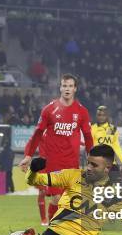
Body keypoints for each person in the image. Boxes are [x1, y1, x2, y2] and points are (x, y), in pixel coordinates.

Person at [18, 74, 94, 226]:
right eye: (64, 86)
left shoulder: (82, 112)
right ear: (60, 88)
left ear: (75, 89)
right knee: (56, 199)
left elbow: (87, 136)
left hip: (72, 162)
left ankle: (65, 231)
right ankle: (52, 226)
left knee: (72, 201)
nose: (67, 89)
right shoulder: (49, 110)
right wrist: (28, 155)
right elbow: (38, 134)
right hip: (54, 164)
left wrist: (91, 159)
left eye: (70, 86)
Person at [90, 105, 122, 171]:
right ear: (96, 116)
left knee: (116, 181)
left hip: (112, 163)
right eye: (99, 115)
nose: (101, 117)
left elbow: (116, 147)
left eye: (103, 115)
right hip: (98, 163)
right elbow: (89, 147)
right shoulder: (92, 129)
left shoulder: (113, 129)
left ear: (107, 116)